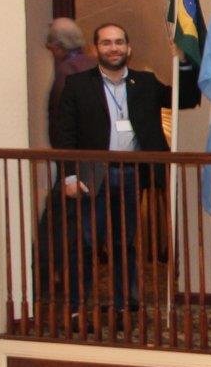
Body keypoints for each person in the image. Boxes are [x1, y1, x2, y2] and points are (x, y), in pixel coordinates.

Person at [50, 23, 199, 320]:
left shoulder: (144, 82)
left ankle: (124, 305)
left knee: (125, 243)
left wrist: (183, 62)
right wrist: (69, 176)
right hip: (92, 172)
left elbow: (186, 98)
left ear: (129, 48)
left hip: (131, 172)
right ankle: (77, 309)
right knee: (86, 243)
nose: (114, 48)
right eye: (106, 43)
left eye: (119, 42)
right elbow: (64, 133)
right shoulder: (78, 85)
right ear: (96, 49)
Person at [36, 18, 95, 314]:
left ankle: (53, 294)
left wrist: (66, 169)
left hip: (73, 167)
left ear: (57, 47)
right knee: (82, 234)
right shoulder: (92, 65)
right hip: (94, 165)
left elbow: (61, 124)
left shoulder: (67, 71)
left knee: (58, 233)